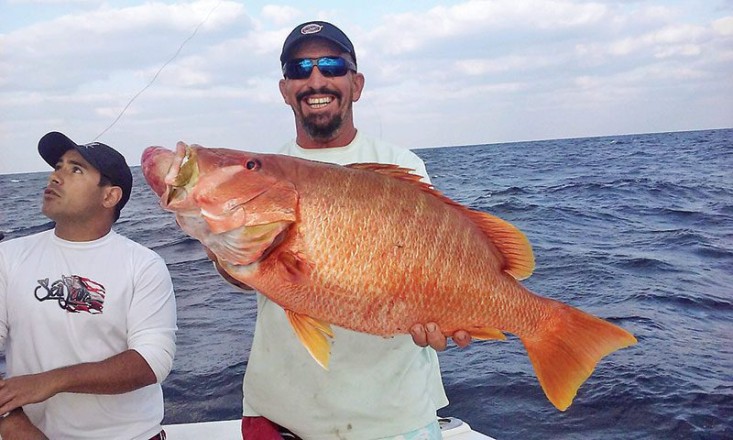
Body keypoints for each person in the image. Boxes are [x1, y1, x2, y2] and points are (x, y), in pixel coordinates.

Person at [241, 21, 471, 440]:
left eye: (331, 65)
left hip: (392, 418)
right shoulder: (261, 172)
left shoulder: (403, 167)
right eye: (299, 68)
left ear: (356, 83)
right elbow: (250, 273)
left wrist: (441, 313)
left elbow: (439, 262)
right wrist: (219, 239)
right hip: (278, 411)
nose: (315, 79)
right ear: (285, 88)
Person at [0, 132, 177, 440]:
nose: (56, 176)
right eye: (58, 166)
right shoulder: (8, 257)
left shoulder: (143, 265)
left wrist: (52, 380)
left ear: (109, 196)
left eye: (75, 169)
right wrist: (8, 419)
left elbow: (152, 360)